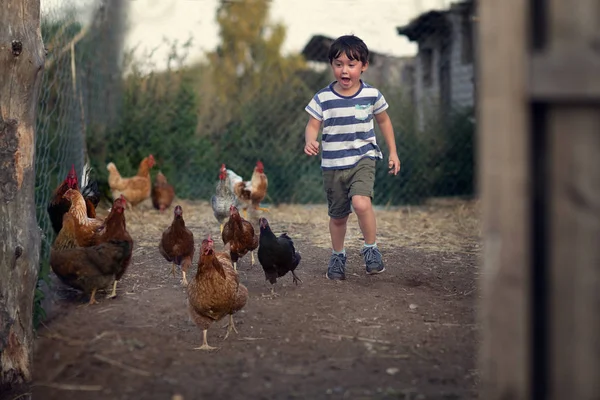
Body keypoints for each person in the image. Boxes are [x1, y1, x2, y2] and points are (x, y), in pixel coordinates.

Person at [304, 34, 401, 281]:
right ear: (332, 66)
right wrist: (310, 140)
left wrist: (392, 151)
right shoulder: (323, 98)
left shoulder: (372, 95)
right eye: (339, 64)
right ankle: (338, 256)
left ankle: (370, 249)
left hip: (363, 158)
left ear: (363, 66)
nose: (344, 70)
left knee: (361, 203)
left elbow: (384, 121)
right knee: (338, 217)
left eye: (351, 64)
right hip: (333, 166)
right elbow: (313, 125)